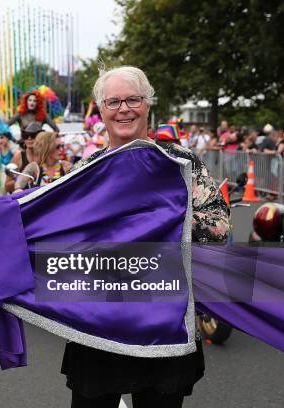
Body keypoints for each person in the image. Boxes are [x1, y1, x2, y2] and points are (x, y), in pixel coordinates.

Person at [63, 66, 230, 408]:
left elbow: (219, 229)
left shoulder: (182, 165)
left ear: (148, 104)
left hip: (165, 322)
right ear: (101, 109)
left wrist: (164, 221)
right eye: (113, 101)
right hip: (98, 325)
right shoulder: (84, 172)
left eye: (133, 99)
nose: (123, 108)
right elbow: (58, 236)